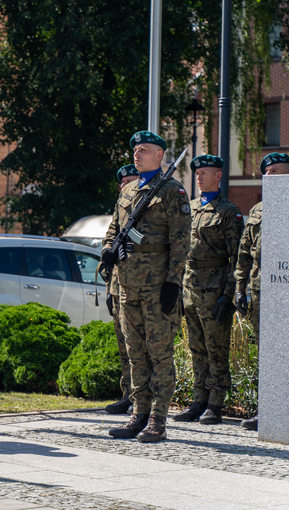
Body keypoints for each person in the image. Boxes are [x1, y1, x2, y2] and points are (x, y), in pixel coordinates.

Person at [103, 131, 190, 443]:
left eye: (144, 150)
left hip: (156, 287)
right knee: (136, 353)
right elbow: (114, 228)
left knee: (159, 354)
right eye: (136, 150)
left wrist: (172, 283)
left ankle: (158, 419)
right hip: (127, 285)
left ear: (160, 156)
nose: (137, 155)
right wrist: (107, 251)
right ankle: (138, 414)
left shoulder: (172, 192)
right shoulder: (128, 191)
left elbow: (181, 244)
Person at [173, 155, 244, 425]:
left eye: (206, 173)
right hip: (190, 287)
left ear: (219, 176)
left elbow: (236, 256)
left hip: (214, 289)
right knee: (196, 348)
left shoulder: (228, 211)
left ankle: (215, 403)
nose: (200, 178)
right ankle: (198, 400)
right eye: (198, 173)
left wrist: (228, 295)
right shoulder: (189, 208)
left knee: (216, 348)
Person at [233, 152, 289, 432]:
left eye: (277, 172)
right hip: (260, 293)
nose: (270, 176)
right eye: (267, 172)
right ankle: (265, 412)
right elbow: (244, 253)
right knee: (265, 354)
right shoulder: (257, 211)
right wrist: (240, 289)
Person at [104, 164, 138, 415]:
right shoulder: (119, 211)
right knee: (123, 347)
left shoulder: (145, 208)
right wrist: (108, 290)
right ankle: (127, 394)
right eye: (124, 182)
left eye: (132, 181)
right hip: (117, 289)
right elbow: (109, 250)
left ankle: (141, 397)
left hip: (139, 288)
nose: (127, 185)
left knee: (138, 348)